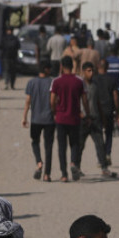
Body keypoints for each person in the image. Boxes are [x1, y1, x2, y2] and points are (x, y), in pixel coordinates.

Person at [50, 55, 84, 183]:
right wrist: (84, 113)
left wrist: (54, 111)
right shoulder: (79, 81)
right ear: (72, 66)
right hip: (75, 117)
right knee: (75, 143)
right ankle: (73, 163)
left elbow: (52, 100)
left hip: (61, 118)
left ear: (61, 66)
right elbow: (84, 100)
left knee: (61, 146)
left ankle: (64, 174)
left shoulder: (57, 81)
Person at [80, 61, 116, 179]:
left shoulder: (95, 84)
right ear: (83, 72)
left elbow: (98, 102)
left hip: (96, 118)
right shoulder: (80, 85)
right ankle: (76, 166)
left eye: (92, 71)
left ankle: (104, 168)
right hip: (84, 119)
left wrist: (102, 117)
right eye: (88, 71)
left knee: (100, 143)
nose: (91, 73)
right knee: (79, 144)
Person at [22, 61, 55, 181]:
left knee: (35, 142)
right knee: (49, 146)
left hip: (35, 119)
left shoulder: (31, 82)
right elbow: (54, 101)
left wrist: (24, 117)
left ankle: (39, 162)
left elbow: (27, 101)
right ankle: (47, 174)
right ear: (46, 69)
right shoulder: (52, 82)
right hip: (49, 119)